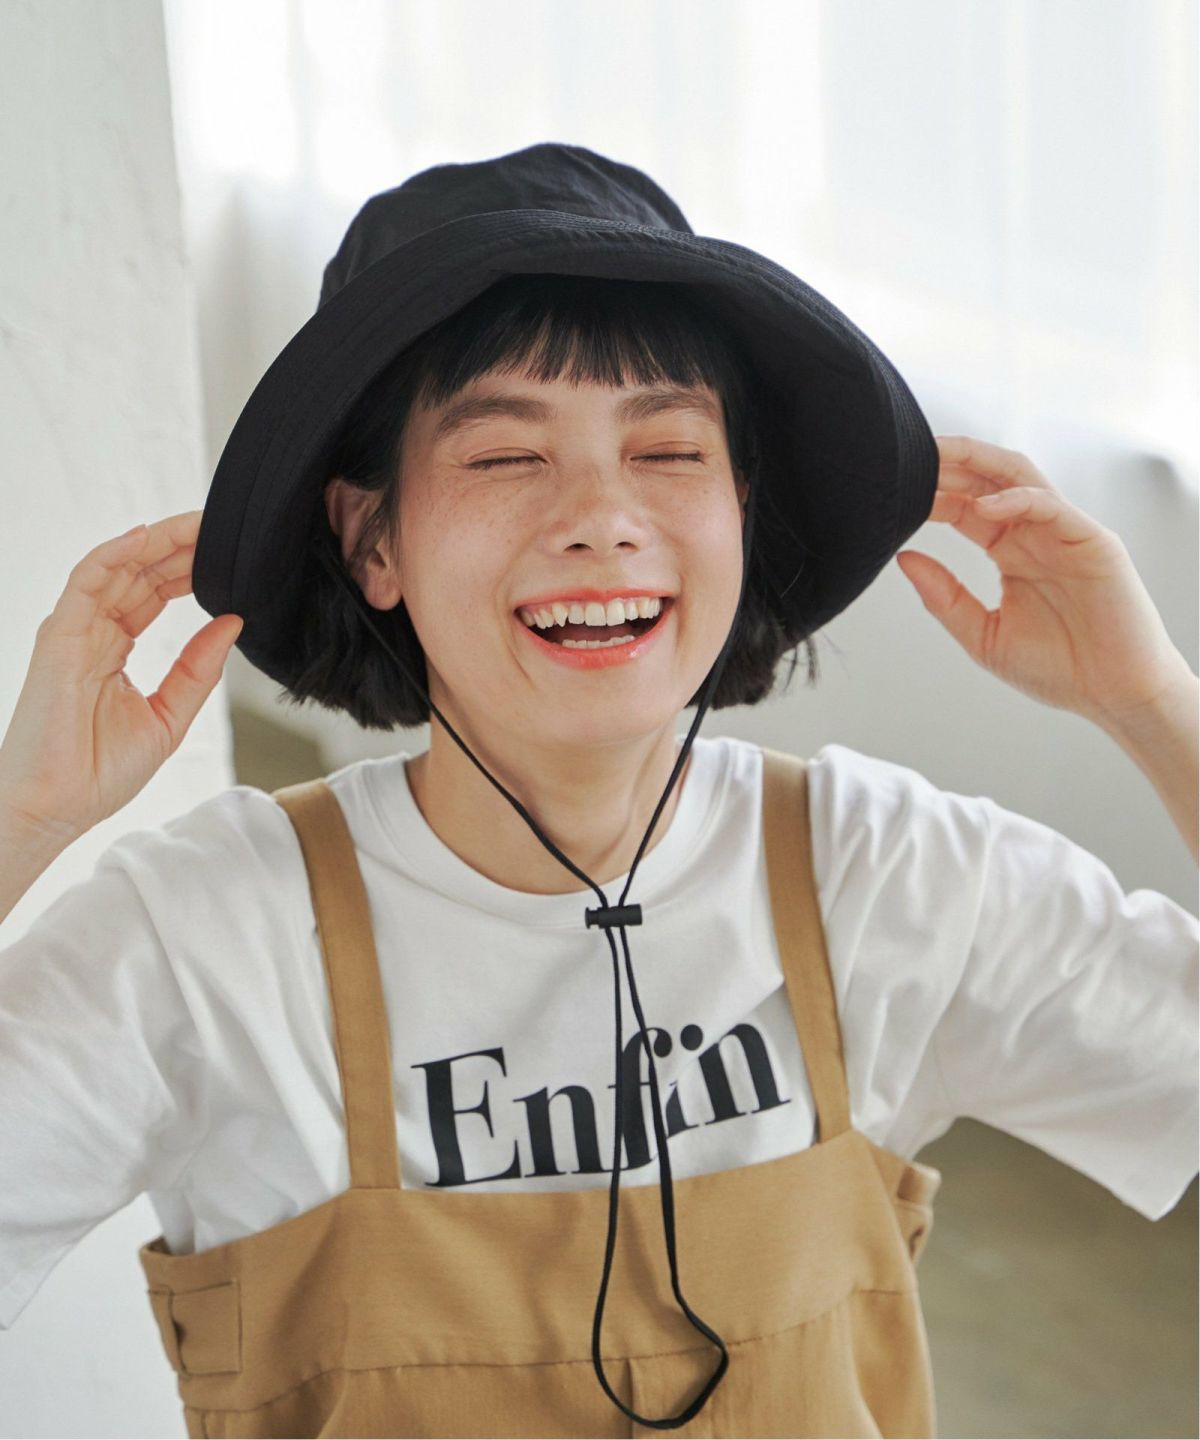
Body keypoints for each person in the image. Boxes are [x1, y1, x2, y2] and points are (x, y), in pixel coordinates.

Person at [0, 144, 1196, 1439]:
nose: (603, 518)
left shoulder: (883, 874)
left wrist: (1151, 701)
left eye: (669, 449)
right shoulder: (208, 939)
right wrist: (23, 816)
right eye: (507, 456)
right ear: (370, 538)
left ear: (741, 505)